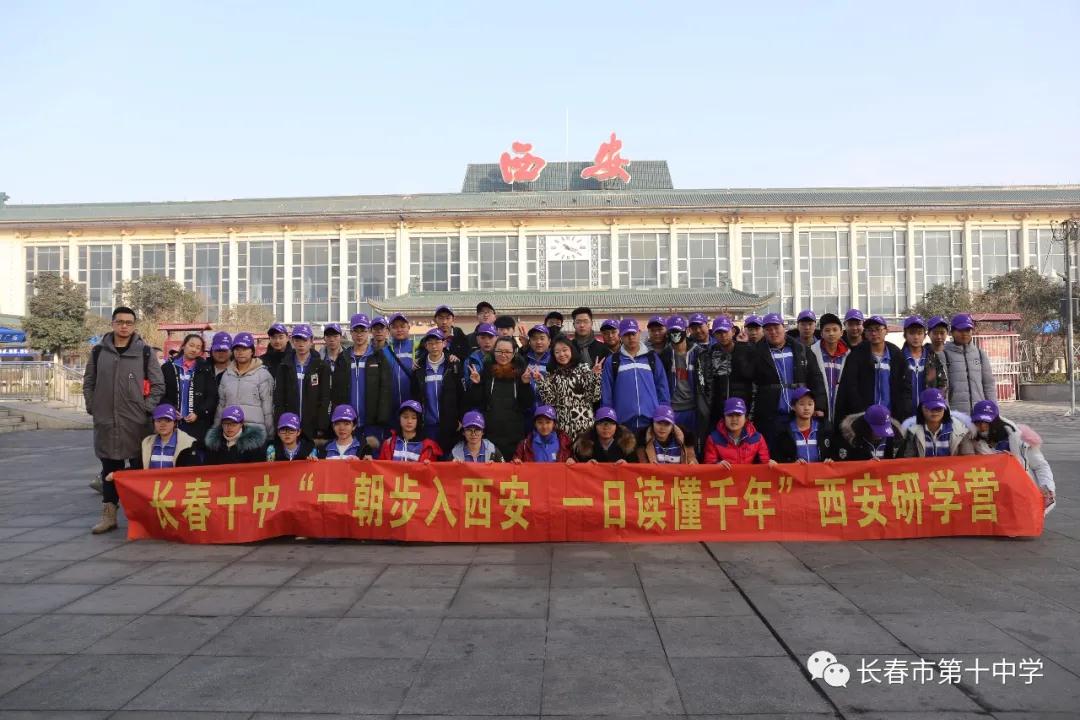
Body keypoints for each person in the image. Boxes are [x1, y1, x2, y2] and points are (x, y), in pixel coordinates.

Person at [84, 306, 165, 534]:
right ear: (112, 324)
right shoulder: (99, 352)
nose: (124, 326)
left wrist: (146, 409)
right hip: (106, 422)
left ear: (134, 325)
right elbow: (89, 382)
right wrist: (93, 406)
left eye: (129, 322)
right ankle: (109, 515)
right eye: (120, 322)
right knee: (109, 470)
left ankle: (141, 517)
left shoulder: (145, 352)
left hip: (136, 424)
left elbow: (158, 385)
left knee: (138, 469)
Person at [745, 313, 827, 450]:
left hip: (798, 415)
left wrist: (819, 405)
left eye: (776, 327)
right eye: (768, 329)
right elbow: (747, 379)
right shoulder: (756, 352)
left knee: (797, 453)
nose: (773, 332)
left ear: (784, 327)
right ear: (764, 331)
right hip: (770, 415)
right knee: (772, 453)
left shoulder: (801, 350)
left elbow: (816, 378)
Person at [969, 399, 1055, 511]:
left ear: (995, 421)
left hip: (1024, 493)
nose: (982, 426)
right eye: (978, 422)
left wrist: (1047, 488)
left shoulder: (1019, 438)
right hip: (994, 498)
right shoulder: (973, 442)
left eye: (986, 422)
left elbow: (1040, 466)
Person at [466, 336, 534, 459]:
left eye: (507, 352)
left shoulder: (521, 374)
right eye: (499, 351)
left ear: (514, 353)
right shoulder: (486, 372)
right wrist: (476, 384)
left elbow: (527, 404)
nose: (503, 355)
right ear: (494, 351)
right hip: (490, 434)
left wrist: (525, 385)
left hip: (514, 434)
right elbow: (477, 402)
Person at [835, 315, 912, 423]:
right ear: (865, 333)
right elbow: (851, 386)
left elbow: (905, 386)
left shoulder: (896, 355)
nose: (874, 333)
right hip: (865, 417)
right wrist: (860, 411)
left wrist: (902, 410)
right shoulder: (856, 355)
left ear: (886, 331)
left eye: (878, 329)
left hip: (892, 417)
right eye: (870, 330)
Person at [601, 318, 670, 432]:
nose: (631, 337)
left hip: (651, 422)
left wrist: (664, 414)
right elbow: (606, 393)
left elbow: (662, 388)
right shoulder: (612, 361)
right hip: (623, 424)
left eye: (633, 333)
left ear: (639, 333)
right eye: (626, 334)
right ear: (620, 336)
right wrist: (608, 418)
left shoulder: (652, 358)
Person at [335, 313, 392, 445]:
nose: (359, 335)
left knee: (371, 454)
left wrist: (381, 417)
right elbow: (336, 390)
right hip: (348, 422)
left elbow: (385, 389)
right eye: (356, 331)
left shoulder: (378, 357)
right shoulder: (343, 358)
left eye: (363, 330)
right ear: (351, 333)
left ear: (369, 332)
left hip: (372, 421)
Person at [533, 335, 602, 439]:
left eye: (565, 350)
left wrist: (596, 376)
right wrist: (540, 382)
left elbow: (594, 397)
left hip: (585, 427)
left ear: (571, 351)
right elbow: (549, 402)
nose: (562, 354)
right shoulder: (552, 374)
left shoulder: (583, 369)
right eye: (557, 352)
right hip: (562, 429)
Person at [273, 324, 331, 443]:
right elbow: (279, 399)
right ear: (292, 341)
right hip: (289, 426)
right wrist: (281, 423)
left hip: (312, 426)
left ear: (311, 341)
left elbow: (324, 398)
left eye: (304, 340)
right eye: (297, 340)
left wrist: (321, 426)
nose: (301, 344)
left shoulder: (321, 366)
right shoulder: (284, 366)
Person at [411, 327, 464, 456]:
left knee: (448, 461)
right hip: (428, 426)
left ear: (444, 343)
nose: (434, 346)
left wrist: (460, 419)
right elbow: (415, 396)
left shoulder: (454, 366)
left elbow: (461, 395)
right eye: (430, 343)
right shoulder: (419, 368)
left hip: (450, 425)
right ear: (426, 346)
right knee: (429, 460)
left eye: (437, 342)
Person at [696, 315, 752, 434]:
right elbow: (707, 384)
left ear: (733, 331)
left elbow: (753, 381)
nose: (723, 335)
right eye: (719, 332)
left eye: (725, 331)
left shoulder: (746, 350)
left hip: (742, 409)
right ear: (714, 334)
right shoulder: (709, 354)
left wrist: (751, 411)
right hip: (718, 411)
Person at [161, 332, 217, 445]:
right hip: (171, 421)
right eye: (191, 345)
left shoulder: (205, 369)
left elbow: (212, 396)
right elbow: (161, 393)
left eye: (198, 347)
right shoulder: (168, 367)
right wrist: (170, 409)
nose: (194, 350)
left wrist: (198, 413)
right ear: (183, 346)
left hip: (196, 424)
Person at [217, 331, 275, 436]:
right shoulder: (227, 375)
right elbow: (221, 405)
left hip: (254, 434)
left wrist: (270, 434)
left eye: (244, 349)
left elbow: (268, 408)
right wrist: (216, 430)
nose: (240, 352)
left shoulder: (263, 375)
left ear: (252, 351)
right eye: (237, 349)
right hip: (231, 432)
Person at [943, 313, 996, 415]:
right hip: (956, 415)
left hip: (979, 415)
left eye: (967, 330)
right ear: (952, 332)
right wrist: (946, 415)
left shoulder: (980, 354)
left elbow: (988, 385)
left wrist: (993, 410)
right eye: (960, 330)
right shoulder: (944, 354)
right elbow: (943, 390)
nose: (964, 334)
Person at [899, 388, 974, 458]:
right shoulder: (913, 432)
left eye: (939, 408)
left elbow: (968, 459)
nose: (935, 412)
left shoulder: (960, 431)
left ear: (945, 409)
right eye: (930, 408)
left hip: (952, 468)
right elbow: (909, 461)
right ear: (921, 409)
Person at [702, 397, 774, 467]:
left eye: (738, 415)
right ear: (724, 418)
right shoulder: (713, 439)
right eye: (730, 415)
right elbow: (708, 465)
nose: (734, 419)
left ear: (745, 418)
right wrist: (716, 465)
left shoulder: (758, 438)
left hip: (748, 475)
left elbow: (764, 463)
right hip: (724, 476)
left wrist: (769, 463)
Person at [657, 315, 700, 433]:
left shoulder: (698, 353)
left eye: (678, 331)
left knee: (692, 442)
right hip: (672, 409)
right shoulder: (664, 355)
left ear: (686, 330)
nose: (675, 335)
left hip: (694, 408)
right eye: (672, 331)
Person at [771, 388, 836, 464]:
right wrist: (792, 464)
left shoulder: (825, 428)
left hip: (821, 471)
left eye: (810, 404)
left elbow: (834, 453)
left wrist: (831, 460)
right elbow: (777, 459)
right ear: (793, 407)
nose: (806, 408)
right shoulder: (784, 432)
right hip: (795, 472)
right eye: (802, 404)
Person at [809, 312, 849, 422]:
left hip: (841, 410)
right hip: (818, 410)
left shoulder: (848, 355)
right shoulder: (811, 353)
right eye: (827, 330)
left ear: (841, 332)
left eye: (835, 330)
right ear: (821, 333)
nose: (831, 333)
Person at [901, 315, 947, 406]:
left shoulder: (932, 358)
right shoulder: (899, 358)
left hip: (928, 411)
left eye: (919, 333)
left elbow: (942, 383)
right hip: (904, 412)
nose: (916, 337)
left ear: (925, 335)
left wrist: (936, 403)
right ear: (905, 335)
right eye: (912, 333)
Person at [200, 405, 268, 464]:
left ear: (241, 424)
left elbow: (258, 470)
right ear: (221, 424)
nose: (229, 427)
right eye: (226, 423)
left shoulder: (254, 446)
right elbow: (207, 469)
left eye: (234, 424)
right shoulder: (213, 445)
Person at [141, 404, 199, 471]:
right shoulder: (146, 443)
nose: (163, 425)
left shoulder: (189, 443)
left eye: (167, 421)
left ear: (175, 423)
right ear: (153, 423)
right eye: (159, 421)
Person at [836, 403, 902, 461]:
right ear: (867, 426)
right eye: (878, 429)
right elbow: (844, 466)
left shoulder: (895, 438)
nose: (881, 434)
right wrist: (866, 464)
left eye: (884, 429)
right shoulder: (851, 440)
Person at [571, 406, 636, 464]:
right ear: (595, 426)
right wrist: (585, 465)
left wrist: (627, 465)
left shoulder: (628, 445)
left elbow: (636, 467)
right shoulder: (583, 445)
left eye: (611, 423)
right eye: (601, 422)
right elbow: (575, 465)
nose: (606, 427)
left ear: (616, 426)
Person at [385, 312, 416, 410]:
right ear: (389, 330)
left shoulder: (418, 347)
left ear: (408, 327)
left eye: (402, 326)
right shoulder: (384, 351)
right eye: (394, 327)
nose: (399, 330)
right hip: (390, 407)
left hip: (412, 406)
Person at [464, 322, 497, 389]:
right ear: (477, 339)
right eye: (483, 338)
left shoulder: (502, 358)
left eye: (490, 337)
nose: (487, 341)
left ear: (497, 338)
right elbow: (467, 385)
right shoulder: (470, 360)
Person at [927, 316, 951, 395]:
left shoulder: (952, 353)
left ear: (947, 333)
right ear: (928, 334)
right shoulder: (924, 355)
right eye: (935, 333)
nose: (939, 336)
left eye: (942, 333)